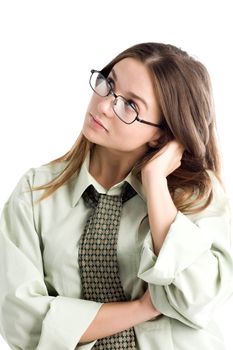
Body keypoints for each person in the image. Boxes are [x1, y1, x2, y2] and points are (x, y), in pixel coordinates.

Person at [0, 42, 232, 350]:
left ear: (161, 135)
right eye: (109, 84)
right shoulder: (36, 193)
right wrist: (141, 309)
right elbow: (20, 321)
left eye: (131, 106)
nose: (104, 105)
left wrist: (154, 184)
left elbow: (197, 300)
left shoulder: (195, 196)